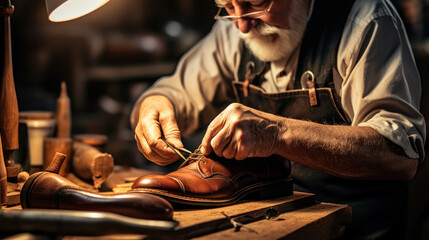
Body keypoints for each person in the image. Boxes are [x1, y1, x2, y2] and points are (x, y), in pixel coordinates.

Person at [130, 0, 426, 239]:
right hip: (276, 221)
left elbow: (398, 155)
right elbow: (173, 91)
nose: (242, 25)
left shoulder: (366, 21)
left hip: (356, 228)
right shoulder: (234, 30)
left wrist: (276, 133)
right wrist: (154, 104)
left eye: (256, 3)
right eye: (227, 6)